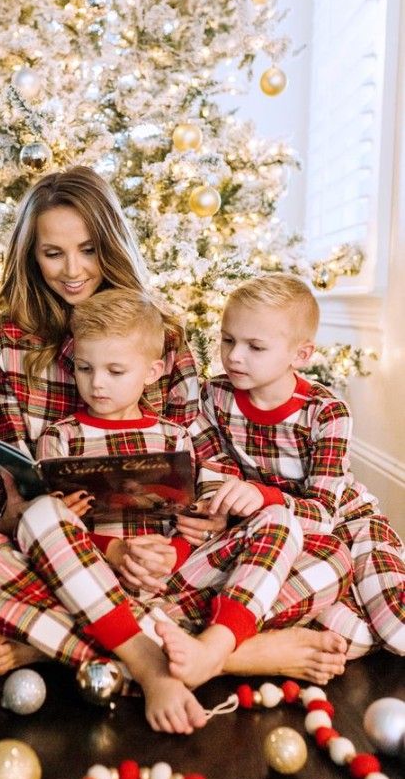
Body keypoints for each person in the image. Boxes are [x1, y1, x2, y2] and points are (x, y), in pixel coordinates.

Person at [0, 168, 350, 690]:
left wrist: (206, 523)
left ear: (111, 244)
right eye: (52, 253)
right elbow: (4, 477)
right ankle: (227, 657)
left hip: (172, 557)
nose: (73, 270)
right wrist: (30, 516)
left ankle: (63, 645)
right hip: (67, 554)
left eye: (88, 249)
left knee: (329, 557)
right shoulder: (7, 344)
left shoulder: (163, 335)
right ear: (30, 255)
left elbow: (200, 459)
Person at [158, 273, 405, 679]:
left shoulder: (326, 413)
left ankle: (231, 643)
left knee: (392, 631)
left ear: (301, 354)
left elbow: (325, 512)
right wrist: (220, 507)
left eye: (255, 347)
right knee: (351, 637)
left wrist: (262, 496)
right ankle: (232, 642)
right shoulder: (213, 396)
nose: (234, 356)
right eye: (228, 340)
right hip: (273, 528)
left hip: (347, 523)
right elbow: (216, 466)